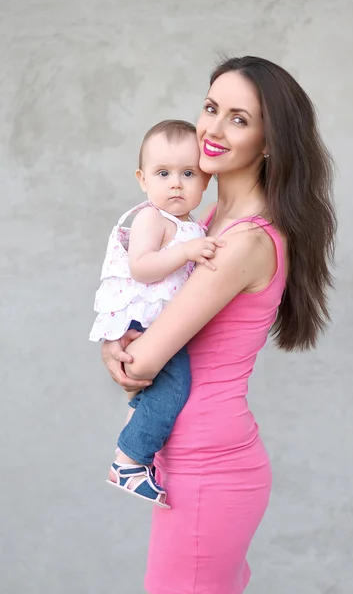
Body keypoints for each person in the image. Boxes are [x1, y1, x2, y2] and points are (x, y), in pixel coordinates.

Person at [101, 56, 336, 594]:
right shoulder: (203, 224)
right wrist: (117, 343)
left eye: (238, 118)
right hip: (190, 459)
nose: (211, 129)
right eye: (211, 108)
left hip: (209, 467)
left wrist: (116, 348)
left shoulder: (243, 243)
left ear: (269, 141)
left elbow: (143, 359)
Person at [90, 119, 222, 508]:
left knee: (165, 387)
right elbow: (141, 267)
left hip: (159, 322)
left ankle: (136, 427)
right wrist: (185, 253)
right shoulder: (153, 218)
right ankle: (130, 462)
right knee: (175, 386)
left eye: (188, 173)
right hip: (145, 320)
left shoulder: (192, 225)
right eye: (163, 173)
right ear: (143, 179)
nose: (176, 183)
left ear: (205, 181)